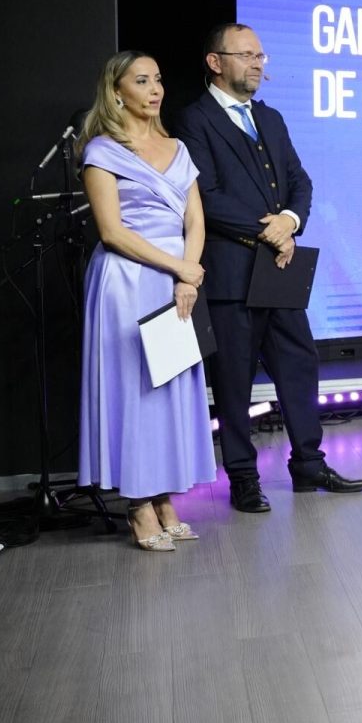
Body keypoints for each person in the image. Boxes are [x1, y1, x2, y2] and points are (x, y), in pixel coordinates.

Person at [176, 23, 362, 511]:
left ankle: (309, 464)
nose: (258, 64)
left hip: (279, 270)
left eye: (261, 55)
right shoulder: (195, 120)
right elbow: (204, 197)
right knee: (233, 380)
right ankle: (242, 476)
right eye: (246, 55)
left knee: (299, 365)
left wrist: (290, 221)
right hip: (231, 273)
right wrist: (270, 231)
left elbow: (300, 181)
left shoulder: (272, 118)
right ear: (215, 62)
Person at [77, 51, 217, 551]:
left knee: (168, 390)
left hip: (175, 283)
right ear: (116, 92)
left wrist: (188, 276)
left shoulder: (178, 147)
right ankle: (137, 505)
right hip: (127, 282)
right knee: (132, 391)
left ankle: (164, 498)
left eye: (157, 79)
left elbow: (195, 220)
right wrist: (179, 267)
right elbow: (112, 232)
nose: (155, 89)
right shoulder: (102, 151)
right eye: (142, 80)